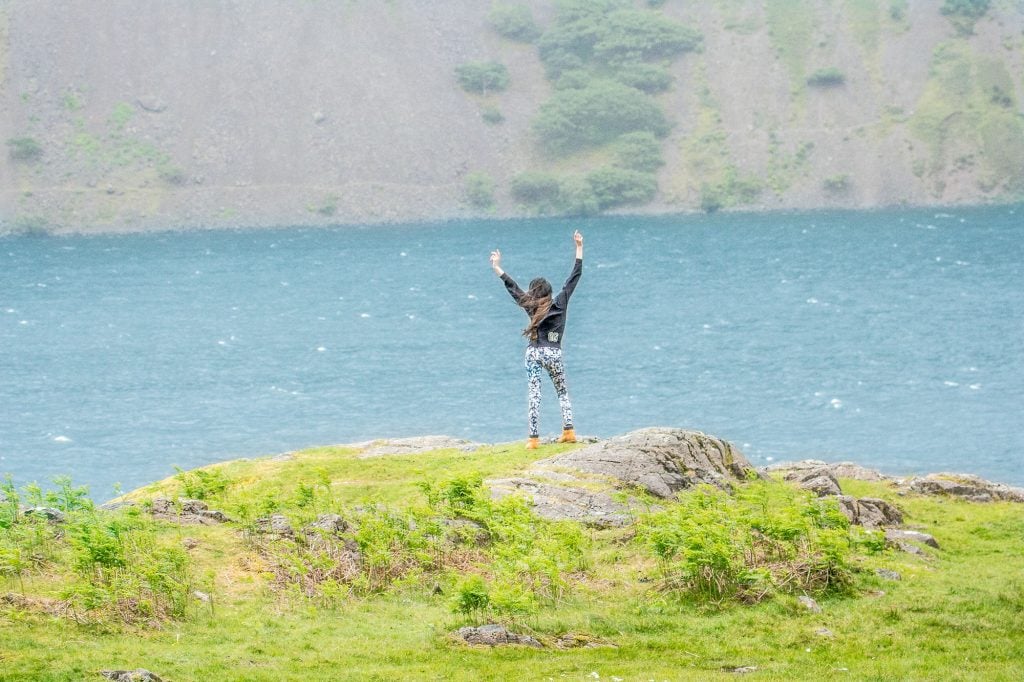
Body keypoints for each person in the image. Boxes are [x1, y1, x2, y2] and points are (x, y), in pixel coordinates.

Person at [490, 230, 583, 449]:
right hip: (554, 352)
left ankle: (533, 439)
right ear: (550, 292)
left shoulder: (531, 306)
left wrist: (497, 268)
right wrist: (579, 247)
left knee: (534, 394)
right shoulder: (560, 302)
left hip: (533, 352)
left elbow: (514, 289)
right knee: (562, 392)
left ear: (533, 293)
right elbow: (574, 277)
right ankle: (569, 431)